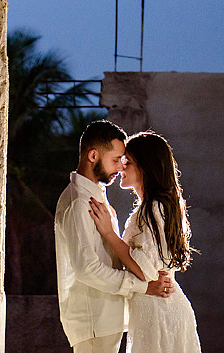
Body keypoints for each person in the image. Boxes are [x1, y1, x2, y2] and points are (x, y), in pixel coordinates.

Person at [55, 120, 174, 353]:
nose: (120, 167)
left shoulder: (96, 196)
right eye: (115, 160)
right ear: (92, 156)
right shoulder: (80, 203)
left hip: (107, 317)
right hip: (93, 319)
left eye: (123, 161)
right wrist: (142, 286)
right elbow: (86, 269)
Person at [87, 130, 202, 353]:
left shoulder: (154, 208)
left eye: (127, 162)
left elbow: (145, 270)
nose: (121, 168)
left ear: (145, 167)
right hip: (158, 309)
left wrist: (109, 234)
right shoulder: (152, 207)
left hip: (160, 311)